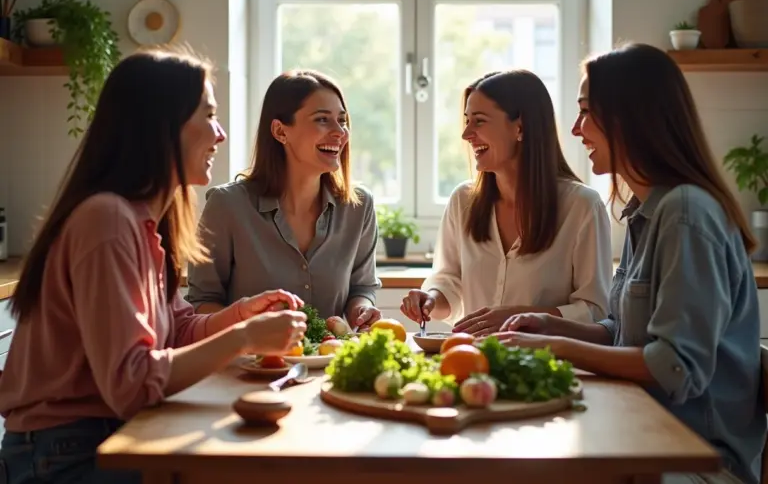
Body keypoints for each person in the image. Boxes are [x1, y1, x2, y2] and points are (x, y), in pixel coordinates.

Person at [0, 46, 308, 484]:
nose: (219, 134)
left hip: (107, 435)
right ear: (161, 126)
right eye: (208, 115)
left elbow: (175, 327)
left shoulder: (145, 219)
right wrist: (242, 337)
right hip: (66, 453)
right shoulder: (106, 220)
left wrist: (241, 315)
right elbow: (131, 385)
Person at [497, 43, 766, 484]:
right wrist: (553, 327)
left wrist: (556, 349)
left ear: (628, 117)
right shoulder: (647, 213)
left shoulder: (685, 213)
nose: (576, 128)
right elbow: (622, 335)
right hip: (641, 440)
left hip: (695, 463)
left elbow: (673, 367)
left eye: (586, 112)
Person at [400, 70, 612, 335]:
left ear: (520, 127)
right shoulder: (462, 201)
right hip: (470, 361)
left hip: (549, 367)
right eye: (467, 121)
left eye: (478, 121)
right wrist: (430, 298)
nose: (466, 134)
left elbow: (596, 311)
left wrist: (524, 318)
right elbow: (449, 282)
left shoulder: (582, 207)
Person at [186, 69, 382, 330]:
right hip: (252, 366)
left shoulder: (359, 206)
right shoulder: (226, 206)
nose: (340, 132)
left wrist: (362, 310)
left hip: (326, 365)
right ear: (280, 131)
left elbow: (362, 287)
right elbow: (204, 302)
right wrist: (251, 333)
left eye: (342, 121)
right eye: (322, 120)